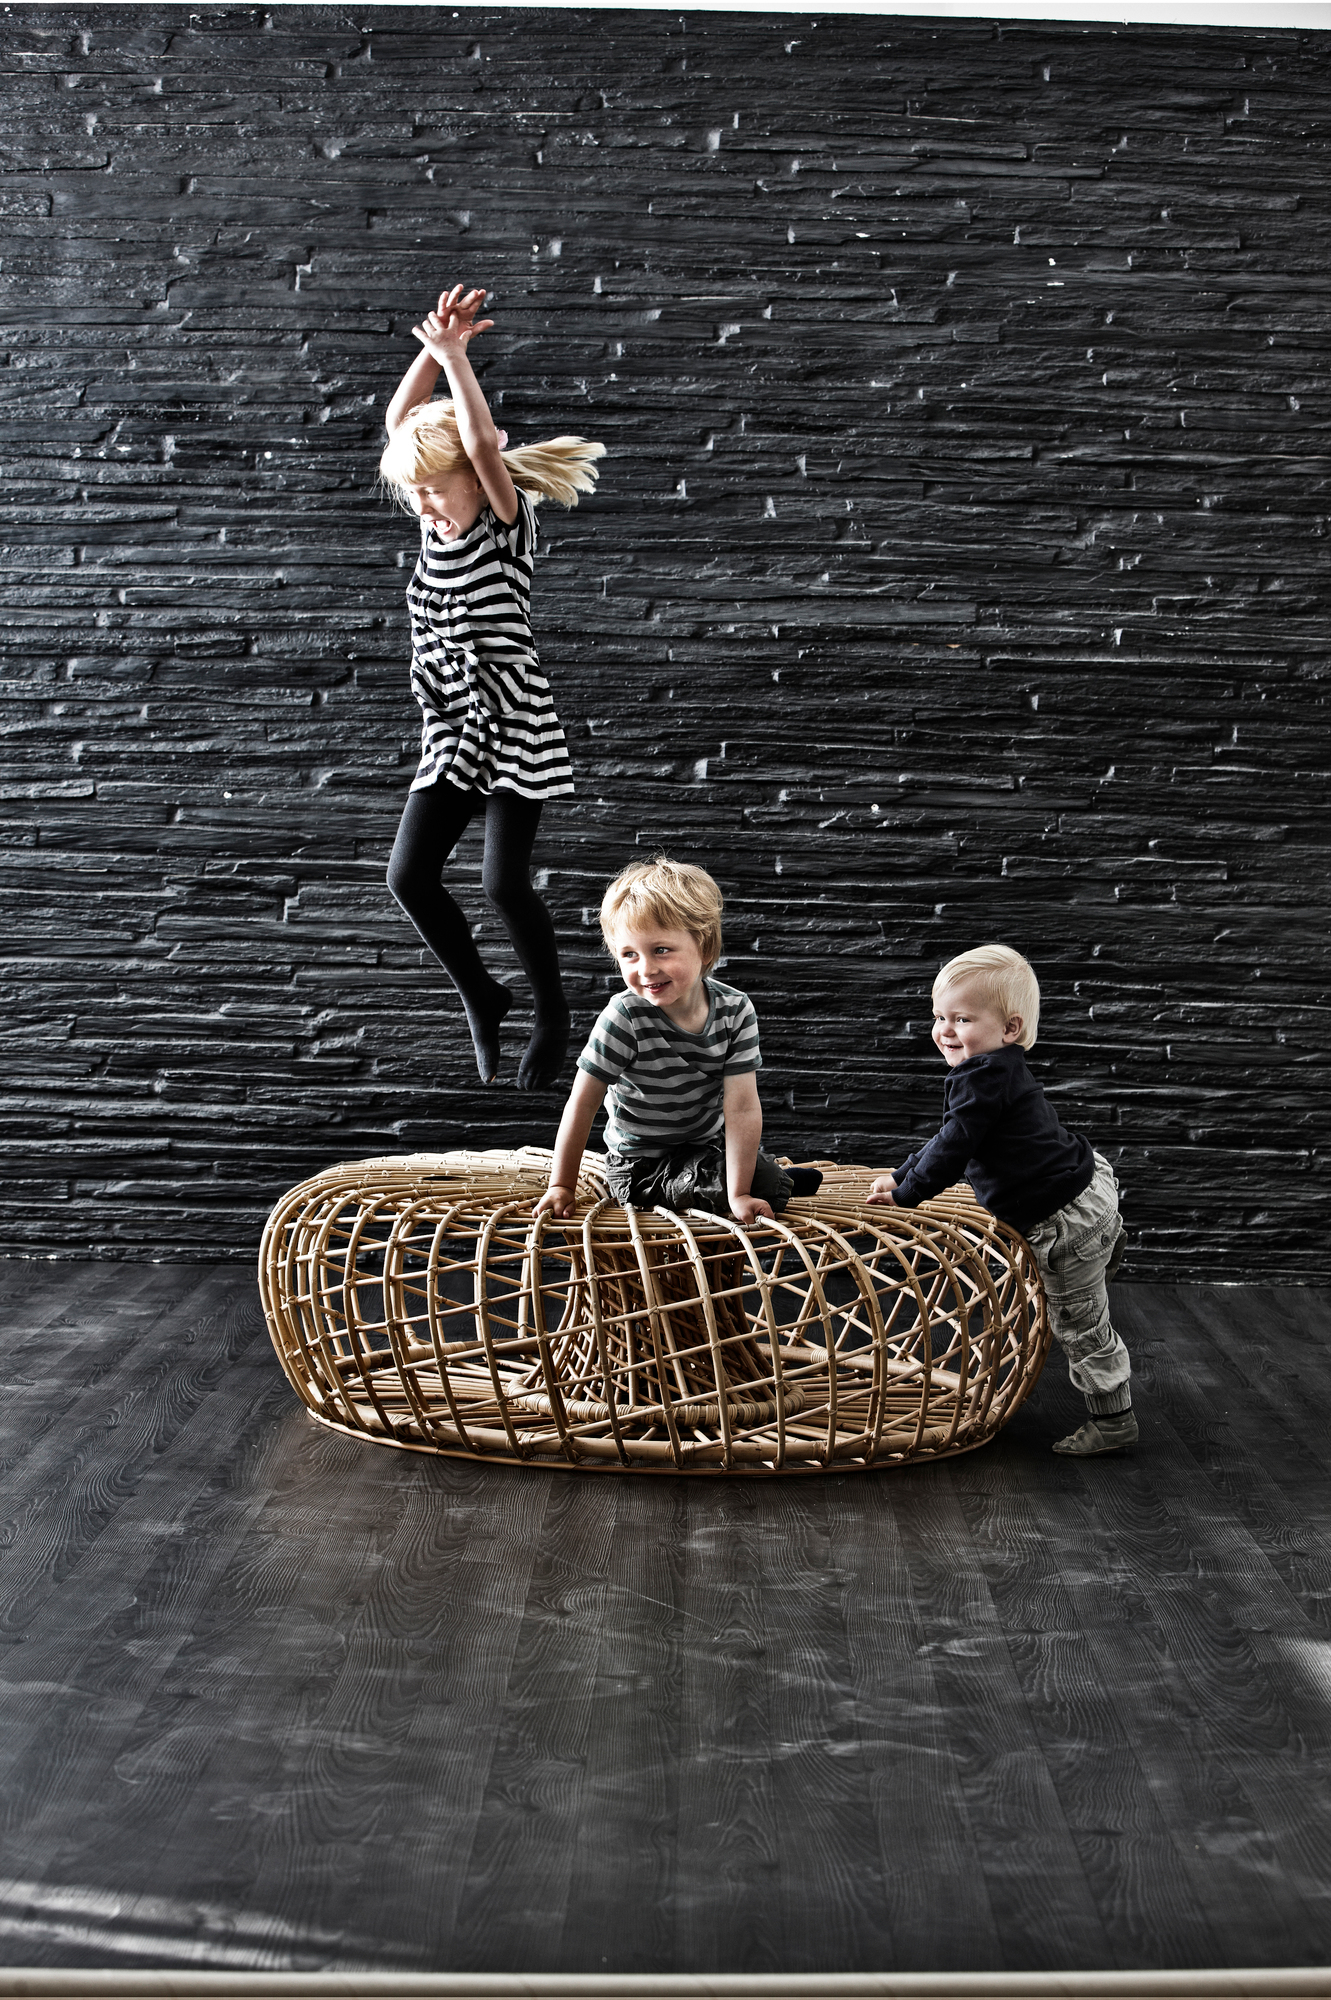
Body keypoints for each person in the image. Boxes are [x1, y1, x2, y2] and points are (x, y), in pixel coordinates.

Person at [379, 283, 604, 1090]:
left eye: (435, 491)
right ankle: (482, 993)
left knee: (502, 881)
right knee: (408, 876)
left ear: (474, 481)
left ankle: (551, 1013)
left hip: (512, 719)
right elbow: (399, 429)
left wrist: (458, 362)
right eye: (416, 496)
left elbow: (473, 442)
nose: (427, 507)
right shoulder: (433, 521)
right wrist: (430, 349)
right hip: (451, 723)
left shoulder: (502, 524)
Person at [867, 944, 1135, 1457]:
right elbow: (951, 1135)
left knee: (1080, 1324)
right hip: (1088, 1183)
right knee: (1084, 1284)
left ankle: (1114, 1419)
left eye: (962, 1018)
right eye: (939, 1017)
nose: (944, 1030)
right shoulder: (995, 1071)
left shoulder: (982, 1077)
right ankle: (1101, 1257)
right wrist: (902, 1174)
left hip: (1062, 1219)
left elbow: (954, 1145)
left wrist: (909, 1194)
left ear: (1009, 1029)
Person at [533, 857, 822, 1224]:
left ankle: (759, 1181)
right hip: (639, 1165)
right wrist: (562, 1185)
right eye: (629, 955)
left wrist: (739, 1193)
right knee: (758, 1178)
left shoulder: (735, 1010)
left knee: (746, 1174)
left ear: (703, 948)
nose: (645, 969)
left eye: (661, 950)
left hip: (703, 1146)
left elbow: (742, 1107)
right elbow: (583, 1103)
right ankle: (774, 1183)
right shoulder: (625, 1016)